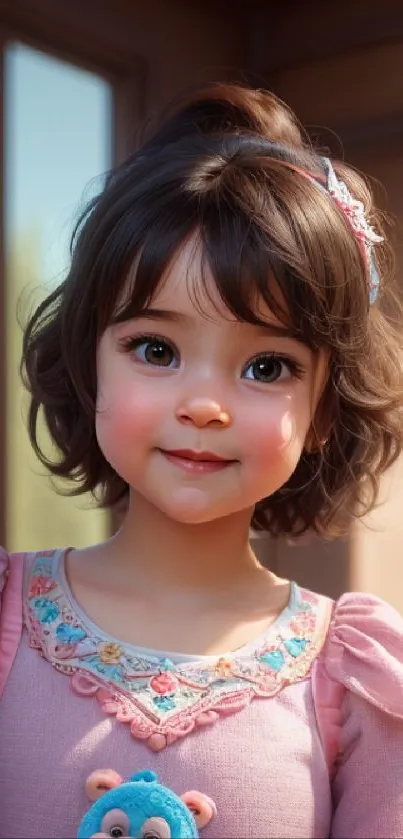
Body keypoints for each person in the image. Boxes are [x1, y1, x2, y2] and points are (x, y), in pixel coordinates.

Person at [1, 82, 403, 839]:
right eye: (156, 349)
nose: (204, 404)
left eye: (266, 366)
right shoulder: (6, 617)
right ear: (91, 365)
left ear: (323, 407)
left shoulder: (359, 677)